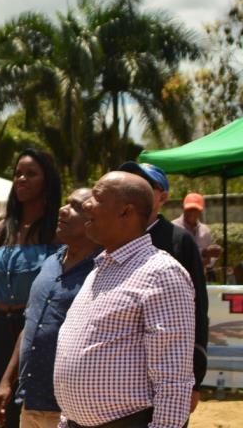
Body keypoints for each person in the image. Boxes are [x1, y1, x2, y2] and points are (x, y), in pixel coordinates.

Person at [54, 172, 195, 428]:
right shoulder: (98, 270)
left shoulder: (161, 274)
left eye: (97, 198)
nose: (86, 204)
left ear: (126, 212)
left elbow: (174, 381)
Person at [0, 188, 101, 428]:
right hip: (30, 402)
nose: (63, 210)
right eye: (66, 203)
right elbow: (30, 325)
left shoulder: (102, 272)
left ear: (94, 220)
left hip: (70, 412)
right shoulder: (50, 263)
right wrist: (7, 382)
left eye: (76, 207)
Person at [0, 149, 62, 428]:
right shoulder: (2, 230)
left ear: (47, 181)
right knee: (4, 415)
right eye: (18, 173)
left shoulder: (57, 229)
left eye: (31, 173)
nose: (21, 179)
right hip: (1, 332)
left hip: (38, 332)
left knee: (32, 411)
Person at [119, 161, 209, 409]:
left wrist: (194, 380)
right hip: (119, 372)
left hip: (166, 372)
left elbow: (197, 310)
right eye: (128, 182)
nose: (134, 188)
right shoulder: (111, 237)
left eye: (145, 184)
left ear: (163, 197)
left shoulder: (180, 241)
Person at [173, 192, 222, 281]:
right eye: (189, 209)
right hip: (179, 279)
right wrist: (203, 253)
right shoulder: (173, 227)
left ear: (200, 211)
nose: (192, 212)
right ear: (183, 208)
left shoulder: (205, 231)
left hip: (199, 279)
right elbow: (174, 255)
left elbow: (210, 263)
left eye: (195, 209)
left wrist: (211, 256)